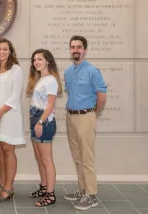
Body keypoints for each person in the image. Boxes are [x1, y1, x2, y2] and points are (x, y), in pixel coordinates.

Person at [63, 36, 107, 211]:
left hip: (86, 117)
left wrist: (94, 114)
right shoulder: (67, 71)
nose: (75, 50)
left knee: (87, 158)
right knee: (77, 157)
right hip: (70, 117)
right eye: (72, 47)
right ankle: (82, 190)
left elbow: (102, 96)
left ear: (85, 50)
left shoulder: (92, 71)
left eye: (79, 47)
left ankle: (91, 195)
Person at [0, 38, 25, 202]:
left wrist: (0, 113)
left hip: (9, 115)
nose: (2, 52)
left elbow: (15, 96)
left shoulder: (16, 70)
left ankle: (9, 187)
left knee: (8, 150)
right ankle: (2, 184)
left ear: (10, 52)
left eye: (5, 49)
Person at [26, 49, 62, 207]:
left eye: (40, 59)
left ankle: (50, 194)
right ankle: (44, 186)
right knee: (39, 158)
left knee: (47, 160)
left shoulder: (51, 81)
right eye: (34, 60)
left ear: (48, 61)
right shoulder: (40, 79)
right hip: (35, 120)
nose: (36, 62)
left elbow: (50, 105)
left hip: (44, 122)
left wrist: (40, 122)